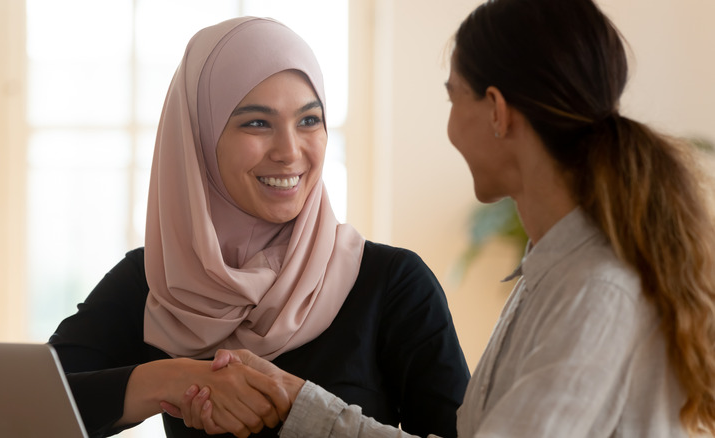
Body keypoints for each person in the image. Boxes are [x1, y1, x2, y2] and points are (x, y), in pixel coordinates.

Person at [178, 0, 715, 436]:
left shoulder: (596, 291)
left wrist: (302, 408)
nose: (450, 124)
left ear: (498, 112)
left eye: (453, 97)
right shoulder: (550, 273)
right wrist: (299, 403)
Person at [48, 16, 470, 438]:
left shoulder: (392, 284)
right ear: (199, 140)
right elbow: (22, 400)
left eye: (309, 120)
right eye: (257, 123)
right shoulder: (161, 281)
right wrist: (172, 380)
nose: (289, 152)